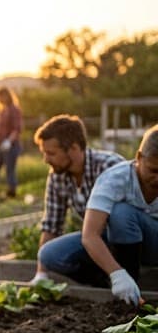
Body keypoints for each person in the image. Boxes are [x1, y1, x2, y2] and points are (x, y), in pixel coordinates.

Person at [31, 115, 124, 286]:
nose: (46, 159)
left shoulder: (109, 166)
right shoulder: (57, 176)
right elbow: (52, 224)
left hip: (127, 239)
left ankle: (126, 275)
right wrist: (41, 274)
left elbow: (134, 216)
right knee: (49, 255)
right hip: (95, 240)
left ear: (73, 148)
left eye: (51, 153)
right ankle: (103, 284)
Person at [81, 124, 158, 307]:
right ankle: (126, 286)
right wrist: (117, 274)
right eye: (153, 171)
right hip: (123, 242)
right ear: (139, 158)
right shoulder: (115, 178)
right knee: (52, 254)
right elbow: (90, 235)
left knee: (123, 214)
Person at [0, 86, 23, 198]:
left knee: (9, 170)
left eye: (0, 97)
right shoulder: (2, 111)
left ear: (7, 96)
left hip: (10, 146)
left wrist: (9, 141)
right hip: (0, 146)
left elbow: (17, 129)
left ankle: (12, 193)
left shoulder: (15, 110)